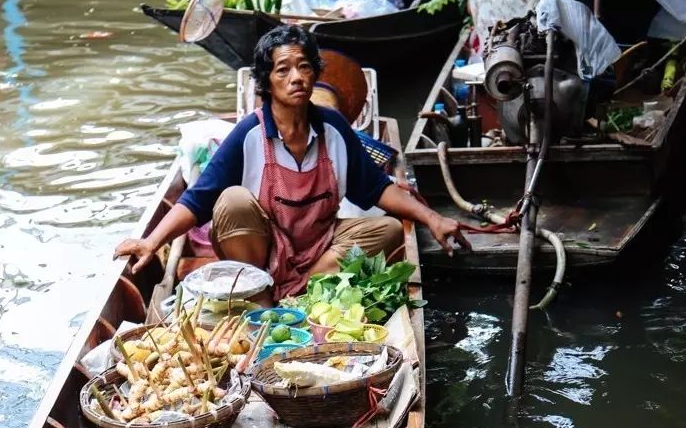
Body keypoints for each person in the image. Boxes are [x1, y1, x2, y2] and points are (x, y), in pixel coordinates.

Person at [115, 24, 470, 304]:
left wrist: (433, 218)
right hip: (262, 249)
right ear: (267, 82)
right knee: (232, 200)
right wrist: (151, 241)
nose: (296, 77)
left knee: (388, 231)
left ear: (315, 73)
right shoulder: (249, 133)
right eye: (282, 70)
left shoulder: (334, 129)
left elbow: (377, 189)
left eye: (303, 67)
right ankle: (258, 295)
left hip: (318, 245)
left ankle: (296, 294)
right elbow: (197, 200)